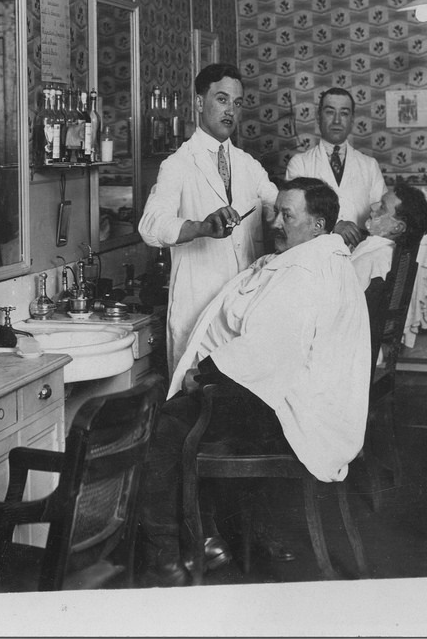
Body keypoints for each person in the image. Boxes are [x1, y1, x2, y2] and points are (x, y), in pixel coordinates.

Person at [137, 178, 370, 587]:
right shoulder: (325, 258)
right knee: (188, 415)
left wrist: (202, 374)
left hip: (299, 417)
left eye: (288, 215)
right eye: (276, 212)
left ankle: (167, 556)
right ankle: (207, 537)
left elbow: (264, 350)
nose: (276, 222)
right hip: (318, 404)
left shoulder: (304, 270)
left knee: (168, 425)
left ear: (318, 225)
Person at [139, 63, 279, 371]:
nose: (231, 110)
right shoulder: (177, 165)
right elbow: (150, 226)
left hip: (243, 310)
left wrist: (278, 216)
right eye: (222, 99)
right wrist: (200, 227)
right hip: (197, 310)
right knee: (195, 405)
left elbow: (278, 207)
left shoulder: (248, 165)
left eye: (237, 103)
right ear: (200, 102)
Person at [285, 87, 387, 249]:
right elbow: (295, 216)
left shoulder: (369, 165)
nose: (337, 120)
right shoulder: (300, 164)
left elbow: (382, 214)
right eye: (330, 112)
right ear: (319, 117)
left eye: (344, 113)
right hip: (317, 254)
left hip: (360, 253)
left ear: (352, 119)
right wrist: (334, 226)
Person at [350, 182, 427, 290]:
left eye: (382, 207)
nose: (373, 206)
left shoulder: (368, 261)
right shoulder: (390, 256)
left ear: (397, 227)